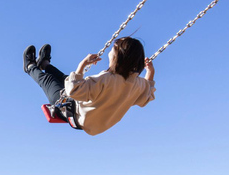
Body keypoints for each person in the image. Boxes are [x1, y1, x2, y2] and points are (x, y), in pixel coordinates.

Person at [24, 37, 155, 135]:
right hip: (92, 122)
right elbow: (146, 95)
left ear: (117, 57)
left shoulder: (106, 79)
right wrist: (150, 72)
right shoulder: (137, 84)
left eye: (112, 49)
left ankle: (30, 66)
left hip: (71, 112)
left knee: (49, 80)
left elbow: (73, 91)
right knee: (65, 78)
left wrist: (82, 65)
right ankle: (45, 64)